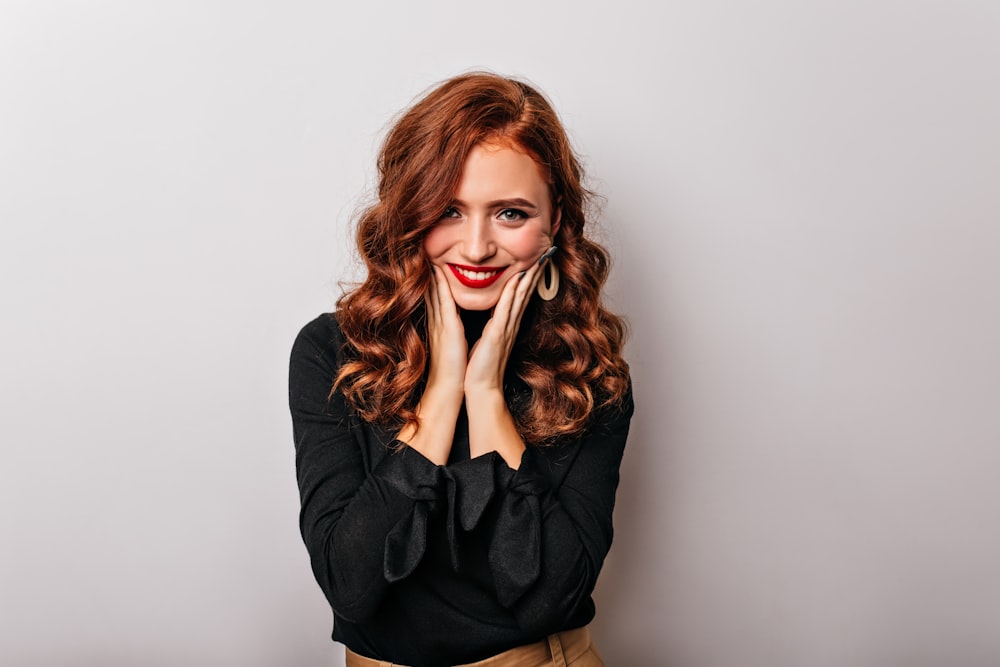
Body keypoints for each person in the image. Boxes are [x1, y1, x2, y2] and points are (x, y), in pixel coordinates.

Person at [288, 72, 634, 667]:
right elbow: (351, 585)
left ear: (555, 223)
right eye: (450, 209)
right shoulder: (332, 352)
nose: (476, 248)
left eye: (510, 213)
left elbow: (553, 597)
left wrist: (487, 395)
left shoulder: (589, 373)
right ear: (409, 214)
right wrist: (443, 392)